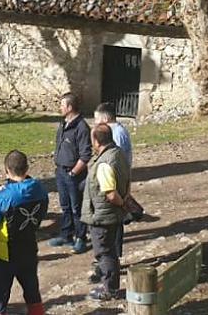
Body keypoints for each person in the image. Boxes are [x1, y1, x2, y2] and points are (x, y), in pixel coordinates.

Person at [0, 150, 48, 315]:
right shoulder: (40, 189)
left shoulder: (3, 197)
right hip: (29, 248)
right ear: (27, 168)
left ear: (6, 170)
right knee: (33, 292)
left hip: (5, 254)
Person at [81, 124, 130, 301]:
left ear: (96, 140)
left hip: (103, 216)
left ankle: (109, 290)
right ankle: (111, 285)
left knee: (104, 252)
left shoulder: (103, 163)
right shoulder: (118, 154)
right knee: (111, 251)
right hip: (113, 214)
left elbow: (110, 194)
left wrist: (121, 202)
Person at [92, 102, 133, 283]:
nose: (95, 124)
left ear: (106, 119)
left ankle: (111, 264)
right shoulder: (116, 132)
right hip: (113, 185)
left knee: (113, 227)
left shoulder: (117, 135)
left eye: (97, 120)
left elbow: (118, 163)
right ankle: (109, 261)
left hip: (114, 187)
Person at [49, 92, 92, 254]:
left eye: (62, 105)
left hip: (73, 174)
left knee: (77, 207)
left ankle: (81, 237)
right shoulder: (63, 124)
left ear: (70, 107)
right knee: (65, 206)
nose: (60, 107)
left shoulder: (81, 127)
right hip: (60, 171)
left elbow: (86, 154)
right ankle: (66, 234)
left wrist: (74, 173)